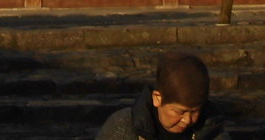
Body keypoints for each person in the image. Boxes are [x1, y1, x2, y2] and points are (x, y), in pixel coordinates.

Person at [95, 52, 229, 140]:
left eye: (194, 111)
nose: (187, 120)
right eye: (180, 111)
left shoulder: (213, 132)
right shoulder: (122, 128)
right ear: (157, 98)